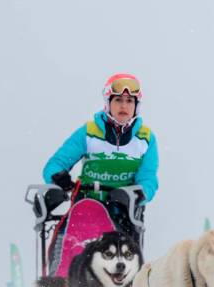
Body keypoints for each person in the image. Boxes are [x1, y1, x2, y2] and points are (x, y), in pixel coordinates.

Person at [42, 73, 159, 242]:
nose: (124, 106)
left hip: (124, 213)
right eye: (118, 100)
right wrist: (58, 178)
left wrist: (136, 195)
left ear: (136, 105)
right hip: (85, 208)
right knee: (68, 240)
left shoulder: (146, 139)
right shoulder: (89, 132)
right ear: (108, 103)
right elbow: (55, 164)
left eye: (129, 101)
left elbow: (148, 180)